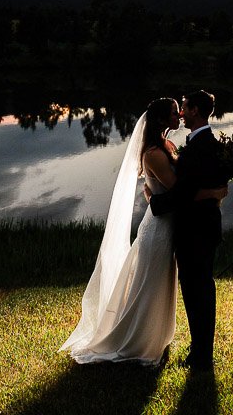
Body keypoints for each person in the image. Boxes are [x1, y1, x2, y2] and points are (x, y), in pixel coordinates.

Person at [59, 97, 196, 364]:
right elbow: (175, 187)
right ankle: (136, 340)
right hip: (158, 229)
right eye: (173, 112)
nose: (179, 114)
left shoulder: (166, 145)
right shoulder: (153, 153)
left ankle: (155, 335)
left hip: (168, 224)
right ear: (160, 119)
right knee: (149, 284)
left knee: (160, 282)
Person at [148, 90, 227, 372]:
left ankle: (202, 355)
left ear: (194, 110)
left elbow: (182, 194)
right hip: (203, 229)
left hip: (196, 233)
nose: (180, 112)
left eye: (183, 107)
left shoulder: (200, 146)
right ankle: (200, 350)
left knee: (198, 293)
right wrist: (214, 192)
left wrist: (151, 200)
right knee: (199, 292)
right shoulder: (204, 142)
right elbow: (202, 188)